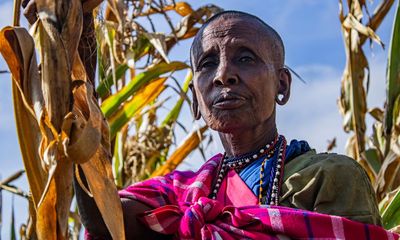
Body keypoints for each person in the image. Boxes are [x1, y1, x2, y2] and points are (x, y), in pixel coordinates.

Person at [22, 3, 392, 239]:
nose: (224, 75)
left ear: (282, 85)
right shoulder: (179, 195)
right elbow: (105, 221)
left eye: (245, 58)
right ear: (196, 100)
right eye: (207, 64)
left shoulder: (326, 177)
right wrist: (74, 36)